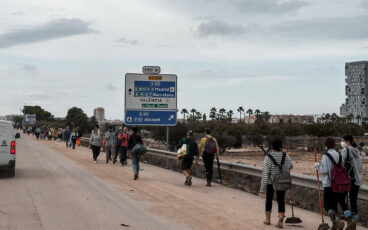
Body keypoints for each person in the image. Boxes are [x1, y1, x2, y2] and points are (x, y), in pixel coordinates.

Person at [315, 138, 347, 230]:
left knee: (327, 205)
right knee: (334, 205)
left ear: (326, 146)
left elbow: (324, 170)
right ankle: (334, 225)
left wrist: (317, 166)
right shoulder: (339, 155)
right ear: (334, 145)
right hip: (338, 184)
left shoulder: (326, 155)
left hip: (328, 184)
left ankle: (337, 221)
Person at [259, 139, 292, 228]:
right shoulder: (286, 156)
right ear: (281, 146)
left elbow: (265, 173)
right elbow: (291, 166)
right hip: (282, 181)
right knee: (281, 201)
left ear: (272, 146)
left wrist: (262, 189)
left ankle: (267, 219)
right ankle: (280, 221)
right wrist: (288, 158)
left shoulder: (268, 157)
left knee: (269, 200)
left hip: (271, 183)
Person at [341, 135, 362, 227]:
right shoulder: (357, 150)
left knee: (341, 198)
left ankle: (349, 218)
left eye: (343, 141)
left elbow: (340, 163)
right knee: (353, 201)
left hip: (349, 179)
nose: (342, 142)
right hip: (357, 179)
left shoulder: (346, 150)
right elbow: (360, 167)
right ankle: (354, 223)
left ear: (348, 141)